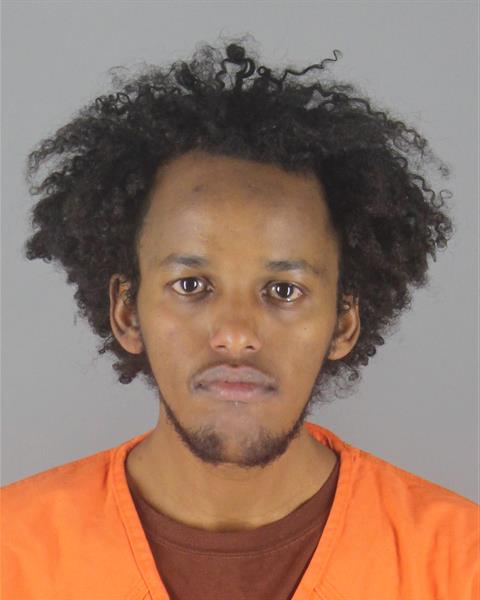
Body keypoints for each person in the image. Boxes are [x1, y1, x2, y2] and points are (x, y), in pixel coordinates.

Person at [2, 37, 478, 600]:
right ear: (126, 312)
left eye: (283, 290)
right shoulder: (13, 553)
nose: (235, 334)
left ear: (343, 323)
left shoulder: (460, 563)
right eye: (191, 285)